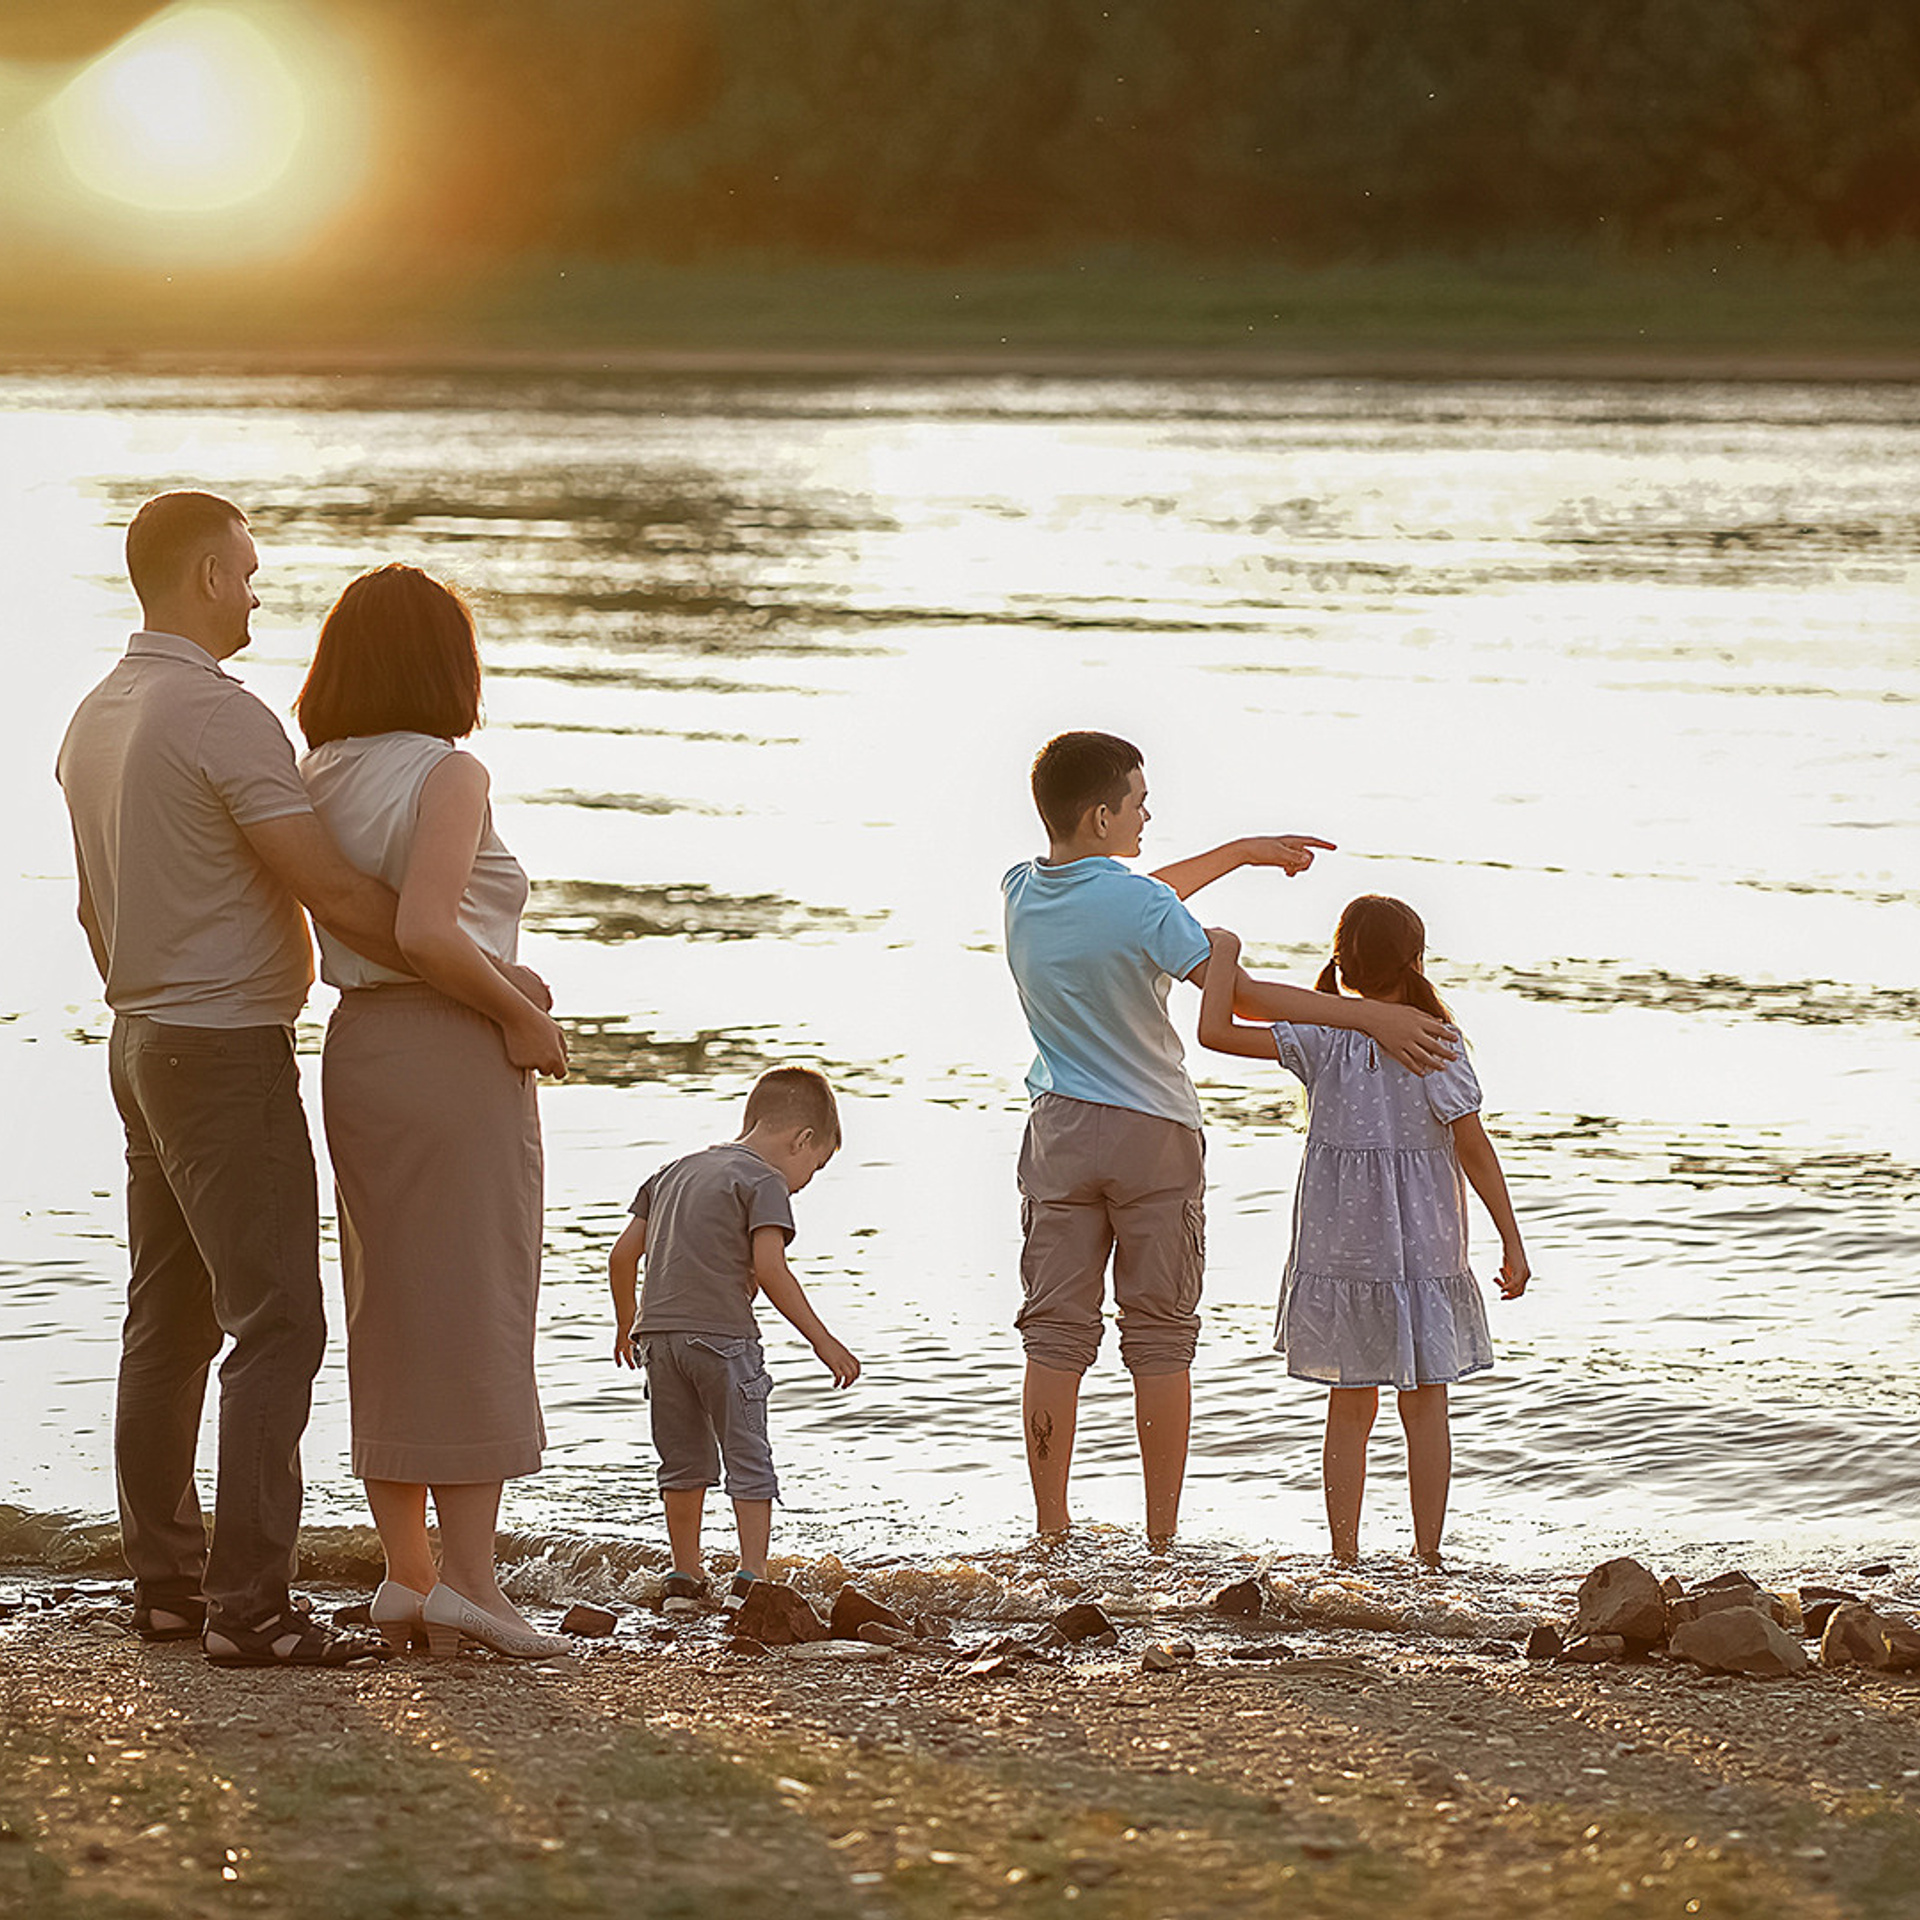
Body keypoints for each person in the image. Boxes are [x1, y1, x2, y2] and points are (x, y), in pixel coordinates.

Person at [56, 490, 402, 1667]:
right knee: (280, 1325)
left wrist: (156, 998)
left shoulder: (95, 715)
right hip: (218, 1053)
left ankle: (165, 1588)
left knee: (168, 1319)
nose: (257, 589)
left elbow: (95, 912)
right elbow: (335, 891)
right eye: (249, 570)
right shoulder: (218, 716)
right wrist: (480, 978)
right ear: (206, 574)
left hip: (140, 1041)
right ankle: (252, 1608)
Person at [1001, 731, 1457, 1550]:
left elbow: (1133, 897)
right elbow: (1237, 995)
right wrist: (1369, 1015)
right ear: (1104, 815)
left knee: (1056, 1335)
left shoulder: (1020, 890)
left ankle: (1050, 1530)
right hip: (1152, 1137)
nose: (1149, 813)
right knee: (1162, 1338)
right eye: (1138, 802)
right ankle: (1161, 1539)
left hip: (1059, 1131)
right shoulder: (1142, 910)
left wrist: (1241, 853)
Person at [296, 564, 572, 1661]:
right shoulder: (449, 771)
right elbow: (425, 929)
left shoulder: (316, 772)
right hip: (450, 1054)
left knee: (391, 1303)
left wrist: (501, 975)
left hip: (361, 1050)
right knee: (473, 1306)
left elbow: (395, 932)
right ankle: (476, 1586)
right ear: (444, 665)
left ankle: (408, 1577)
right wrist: (519, 1016)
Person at [1196, 902, 1529, 1569]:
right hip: (1423, 1252)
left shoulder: (1321, 1036)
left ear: (1341, 960)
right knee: (1425, 1404)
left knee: (1350, 1406)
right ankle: (1427, 1557)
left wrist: (1224, 949)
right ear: (1417, 960)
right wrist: (1511, 1242)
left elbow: (1214, 1031)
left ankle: (1343, 1559)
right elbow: (1475, 1147)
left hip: (1342, 1250)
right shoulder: (1436, 1041)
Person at [607, 1067, 858, 1613]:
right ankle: (750, 1576)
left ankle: (684, 1576)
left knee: (682, 1461)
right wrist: (824, 1341)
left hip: (660, 1341)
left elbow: (622, 1256)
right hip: (724, 1339)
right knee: (748, 1456)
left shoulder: (671, 1172)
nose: (799, 1186)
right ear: (802, 1140)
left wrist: (628, 1322)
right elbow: (770, 1269)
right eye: (810, 1172)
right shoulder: (763, 1181)